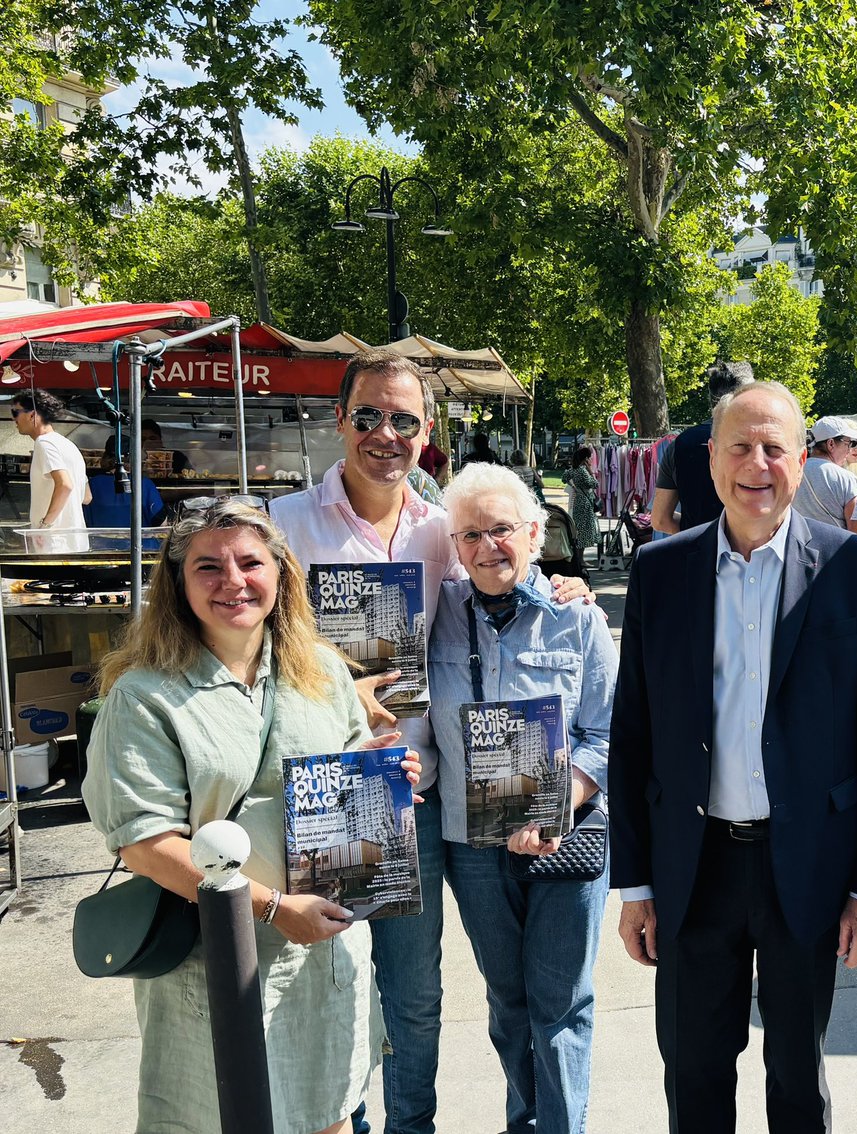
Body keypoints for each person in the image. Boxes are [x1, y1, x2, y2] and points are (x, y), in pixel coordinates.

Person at [269, 348, 589, 1134]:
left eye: (403, 420)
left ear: (426, 430)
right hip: (333, 795)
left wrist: (562, 587)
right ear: (339, 419)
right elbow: (250, 651)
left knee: (416, 999)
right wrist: (333, 692)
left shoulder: (441, 526)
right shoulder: (284, 524)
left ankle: (411, 1127)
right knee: (333, 986)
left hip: (428, 794)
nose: (386, 433)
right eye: (368, 415)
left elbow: (499, 577)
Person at [609, 381, 857, 1133]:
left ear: (803, 461)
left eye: (775, 447)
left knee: (799, 1079)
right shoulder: (660, 570)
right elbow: (632, 732)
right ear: (711, 459)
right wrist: (635, 883)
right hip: (693, 864)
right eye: (740, 446)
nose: (758, 464)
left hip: (807, 864)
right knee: (694, 1074)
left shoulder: (856, 568)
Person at [82, 500, 422, 1134]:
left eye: (250, 562)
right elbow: (145, 843)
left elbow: (349, 769)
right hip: (216, 960)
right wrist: (270, 908)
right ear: (179, 584)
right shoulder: (145, 696)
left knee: (327, 1114)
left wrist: (384, 778)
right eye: (208, 567)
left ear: (280, 573)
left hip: (323, 950)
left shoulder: (321, 669)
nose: (233, 581)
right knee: (222, 1116)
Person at [427, 463, 618, 1133]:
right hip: (473, 844)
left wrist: (557, 802)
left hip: (567, 836)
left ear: (534, 533)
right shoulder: (434, 615)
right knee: (508, 1003)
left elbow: (611, 731)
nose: (488, 547)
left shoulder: (578, 618)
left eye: (502, 530)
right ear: (455, 545)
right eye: (470, 535)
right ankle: (526, 1122)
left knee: (561, 1004)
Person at [651, 360, 754, 535]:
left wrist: (698, 533)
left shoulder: (679, 445)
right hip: (753, 549)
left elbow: (660, 519)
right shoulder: (764, 444)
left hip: (696, 548)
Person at [12, 390, 91, 553]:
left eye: (15, 412)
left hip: (54, 542)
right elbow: (87, 497)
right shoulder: (69, 445)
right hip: (77, 542)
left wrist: (44, 526)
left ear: (32, 415)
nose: (14, 419)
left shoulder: (44, 443)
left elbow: (65, 485)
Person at [791, 415, 857, 529]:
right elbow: (856, 530)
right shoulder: (846, 478)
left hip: (798, 539)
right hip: (835, 540)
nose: (849, 449)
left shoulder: (794, 472)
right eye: (848, 443)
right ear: (831, 444)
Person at [84, 433, 167, 528]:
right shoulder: (144, 484)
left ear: (105, 457)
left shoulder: (92, 484)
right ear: (135, 458)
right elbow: (161, 524)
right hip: (140, 538)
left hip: (99, 538)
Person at [560, 446, 601, 565]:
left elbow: (564, 478)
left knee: (579, 531)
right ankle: (580, 560)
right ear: (586, 458)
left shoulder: (573, 470)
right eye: (589, 457)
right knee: (583, 532)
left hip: (578, 501)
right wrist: (591, 471)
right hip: (585, 503)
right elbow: (594, 484)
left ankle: (578, 559)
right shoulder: (583, 471)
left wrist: (574, 486)